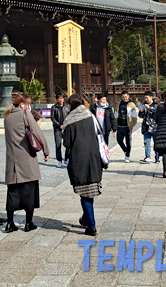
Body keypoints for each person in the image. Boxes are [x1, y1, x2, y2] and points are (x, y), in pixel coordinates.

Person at [4, 94, 49, 232]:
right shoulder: (25, 115)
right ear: (22, 104)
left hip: (13, 161)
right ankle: (28, 223)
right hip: (27, 159)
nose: (28, 106)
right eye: (27, 104)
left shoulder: (7, 118)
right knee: (29, 191)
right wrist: (46, 151)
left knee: (13, 193)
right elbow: (38, 133)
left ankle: (10, 223)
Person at [62, 93, 102, 237]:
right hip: (93, 157)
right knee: (89, 191)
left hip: (79, 160)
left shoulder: (70, 120)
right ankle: (86, 218)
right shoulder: (90, 116)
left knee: (85, 193)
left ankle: (91, 225)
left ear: (71, 105)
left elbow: (67, 143)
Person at [115, 91, 138, 162]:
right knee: (119, 140)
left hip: (127, 125)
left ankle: (127, 155)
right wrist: (115, 124)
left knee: (128, 141)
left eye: (125, 97)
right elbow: (116, 113)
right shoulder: (119, 103)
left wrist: (131, 125)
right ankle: (125, 150)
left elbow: (134, 116)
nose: (124, 98)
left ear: (128, 96)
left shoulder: (131, 105)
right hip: (119, 125)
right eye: (123, 97)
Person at [138, 91, 158, 163]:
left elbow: (156, 114)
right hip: (146, 127)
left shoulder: (156, 105)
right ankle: (147, 157)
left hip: (154, 127)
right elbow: (140, 116)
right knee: (147, 142)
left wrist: (149, 108)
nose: (146, 99)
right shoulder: (143, 105)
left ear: (151, 97)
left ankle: (157, 157)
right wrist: (141, 111)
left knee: (156, 143)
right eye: (145, 98)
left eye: (147, 98)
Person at [51, 92, 69, 168]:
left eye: (62, 98)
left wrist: (65, 125)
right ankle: (59, 160)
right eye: (59, 98)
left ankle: (67, 158)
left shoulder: (67, 107)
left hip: (66, 128)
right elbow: (52, 118)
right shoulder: (54, 107)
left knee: (68, 144)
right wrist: (59, 125)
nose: (61, 100)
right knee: (58, 145)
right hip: (57, 129)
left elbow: (69, 116)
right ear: (57, 99)